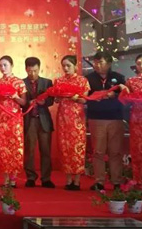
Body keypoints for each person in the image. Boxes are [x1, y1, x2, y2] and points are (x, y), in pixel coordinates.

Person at [86, 51, 126, 191]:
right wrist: (94, 97)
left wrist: (114, 95)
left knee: (115, 151)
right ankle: (99, 181)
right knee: (98, 151)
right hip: (96, 117)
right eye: (95, 62)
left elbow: (126, 95)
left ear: (109, 63)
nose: (97, 65)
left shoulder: (118, 78)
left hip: (115, 117)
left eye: (100, 62)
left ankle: (116, 181)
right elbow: (84, 96)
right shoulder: (88, 78)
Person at [54, 55, 90, 190]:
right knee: (65, 148)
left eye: (68, 65)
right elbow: (56, 100)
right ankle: (68, 180)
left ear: (75, 66)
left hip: (77, 119)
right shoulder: (59, 81)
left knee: (77, 147)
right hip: (63, 118)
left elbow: (85, 100)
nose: (66, 68)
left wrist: (76, 98)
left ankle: (77, 181)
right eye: (63, 65)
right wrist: (58, 97)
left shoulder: (82, 80)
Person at [0, 55, 27, 188]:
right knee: (2, 147)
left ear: (12, 65)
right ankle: (6, 179)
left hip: (14, 119)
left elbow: (23, 102)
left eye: (5, 65)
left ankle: (13, 179)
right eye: (0, 65)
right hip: (1, 119)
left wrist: (15, 97)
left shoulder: (19, 82)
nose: (3, 68)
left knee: (15, 147)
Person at [22, 57, 55, 188]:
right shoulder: (21, 83)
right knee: (29, 150)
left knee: (46, 150)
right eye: (30, 71)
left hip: (44, 120)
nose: (33, 74)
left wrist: (44, 102)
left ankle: (46, 178)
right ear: (26, 69)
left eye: (35, 71)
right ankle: (30, 177)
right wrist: (27, 103)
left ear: (39, 68)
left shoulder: (47, 82)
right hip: (29, 119)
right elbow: (19, 102)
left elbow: (51, 100)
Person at [124, 54, 142, 186]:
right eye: (139, 63)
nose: (141, 66)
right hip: (137, 119)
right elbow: (125, 101)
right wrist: (124, 92)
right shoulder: (131, 81)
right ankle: (140, 181)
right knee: (138, 150)